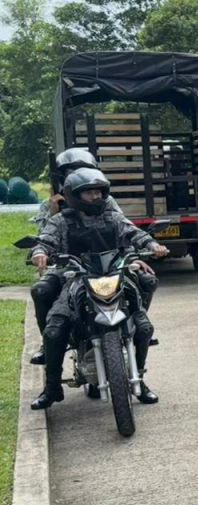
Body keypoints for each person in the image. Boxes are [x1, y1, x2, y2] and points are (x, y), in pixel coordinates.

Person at [29, 169, 169, 410]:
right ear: (74, 196)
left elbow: (135, 233)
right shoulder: (61, 220)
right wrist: (40, 252)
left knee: (143, 326)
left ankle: (140, 380)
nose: (95, 197)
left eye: (98, 192)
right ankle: (53, 387)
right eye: (88, 193)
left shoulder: (113, 217)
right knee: (54, 330)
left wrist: (153, 245)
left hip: (114, 275)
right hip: (75, 278)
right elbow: (46, 240)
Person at [30, 148, 158, 365]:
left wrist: (136, 253)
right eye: (72, 171)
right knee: (42, 291)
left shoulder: (106, 203)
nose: (94, 195)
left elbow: (123, 230)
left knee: (146, 280)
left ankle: (137, 326)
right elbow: (45, 237)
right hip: (69, 267)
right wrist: (51, 215)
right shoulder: (54, 206)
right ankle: (49, 343)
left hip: (107, 264)